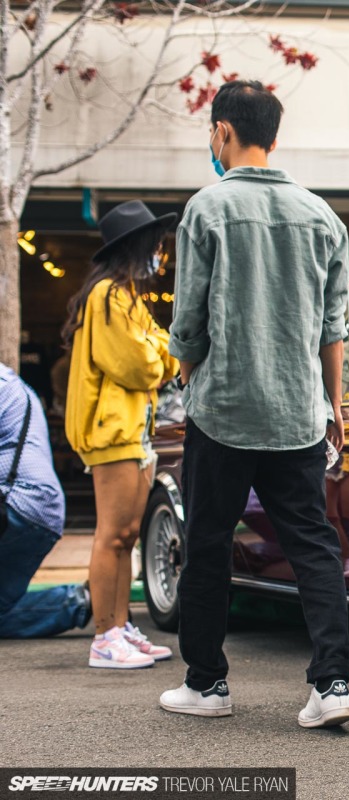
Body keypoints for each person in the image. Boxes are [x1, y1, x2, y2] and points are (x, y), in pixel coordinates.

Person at [163, 80, 349, 727]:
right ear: (273, 135)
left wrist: (188, 377)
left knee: (209, 542)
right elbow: (335, 329)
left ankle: (207, 686)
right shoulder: (321, 216)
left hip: (223, 410)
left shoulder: (208, 209)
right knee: (313, 546)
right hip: (298, 413)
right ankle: (332, 686)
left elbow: (189, 320)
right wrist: (334, 408)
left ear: (222, 132)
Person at [63, 200, 179, 669]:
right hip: (114, 433)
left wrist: (159, 353)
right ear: (135, 247)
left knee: (127, 535)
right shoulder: (109, 297)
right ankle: (104, 636)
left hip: (132, 431)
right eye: (154, 245)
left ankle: (118, 627)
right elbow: (143, 365)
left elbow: (163, 352)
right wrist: (160, 354)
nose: (160, 253)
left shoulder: (125, 295)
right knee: (113, 535)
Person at [0, 363, 91, 639]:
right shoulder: (9, 381)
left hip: (20, 507)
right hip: (34, 508)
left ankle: (81, 600)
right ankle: (84, 600)